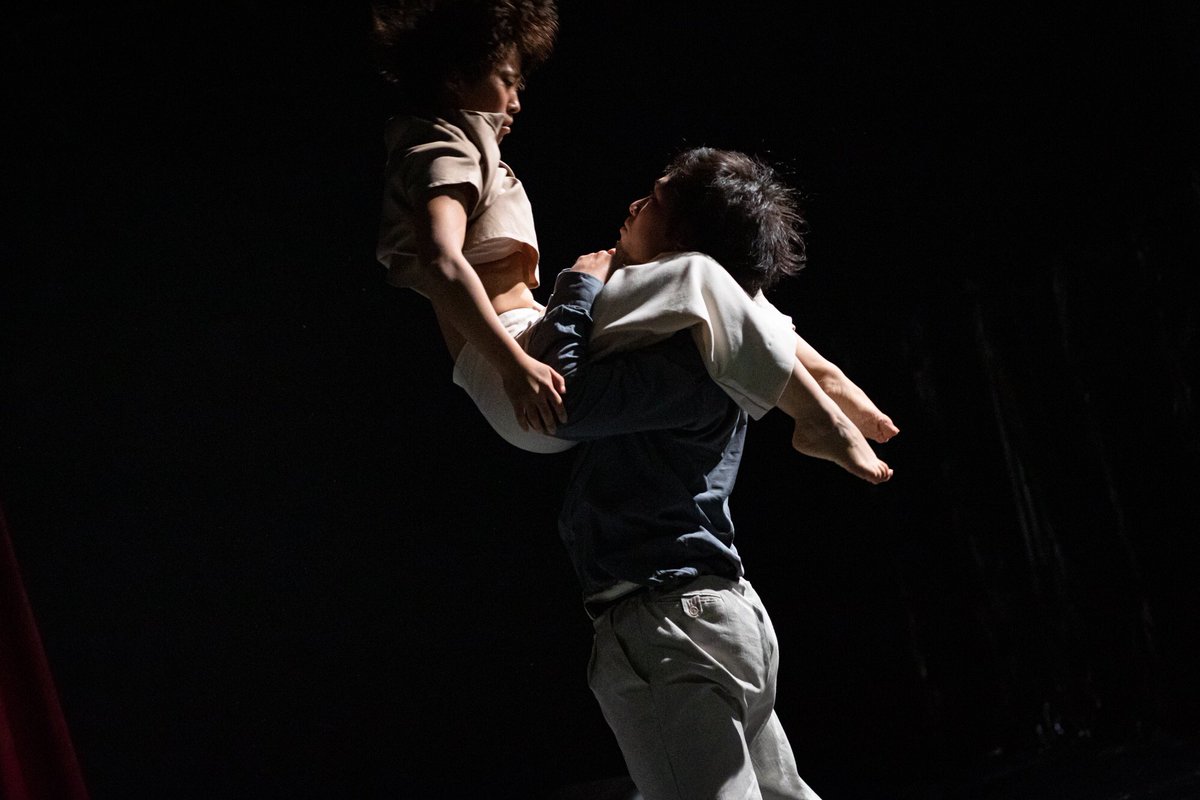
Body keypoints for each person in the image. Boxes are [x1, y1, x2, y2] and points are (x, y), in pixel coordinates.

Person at [370, 0, 896, 481]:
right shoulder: (443, 150)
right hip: (513, 367)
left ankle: (823, 380)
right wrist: (515, 368)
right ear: (456, 77)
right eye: (507, 82)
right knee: (697, 273)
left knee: (716, 284)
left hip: (523, 348)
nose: (516, 102)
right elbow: (441, 262)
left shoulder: (455, 148)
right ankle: (816, 411)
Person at [523, 147, 878, 799]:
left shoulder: (686, 364)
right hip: (714, 613)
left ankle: (829, 414)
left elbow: (561, 404)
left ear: (683, 246)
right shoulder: (721, 351)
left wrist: (578, 286)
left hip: (672, 621)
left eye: (655, 201)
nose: (634, 206)